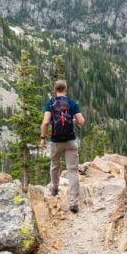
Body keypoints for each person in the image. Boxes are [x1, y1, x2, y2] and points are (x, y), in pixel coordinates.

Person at [40, 80, 85, 213]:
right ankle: (73, 203)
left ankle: (54, 188)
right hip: (70, 141)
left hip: (55, 141)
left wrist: (43, 137)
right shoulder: (72, 103)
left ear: (55, 90)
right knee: (72, 170)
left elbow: (46, 122)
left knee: (55, 165)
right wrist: (74, 120)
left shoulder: (50, 103)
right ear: (66, 89)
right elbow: (82, 122)